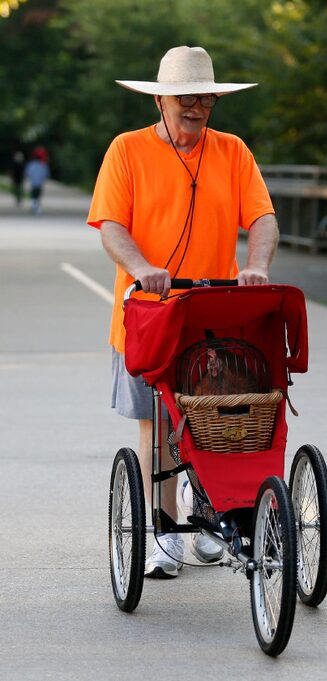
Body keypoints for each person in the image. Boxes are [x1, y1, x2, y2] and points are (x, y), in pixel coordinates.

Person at [87, 46, 279, 579]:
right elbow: (110, 226)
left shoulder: (233, 151)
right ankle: (166, 535)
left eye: (207, 99)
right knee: (159, 426)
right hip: (148, 313)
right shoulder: (127, 151)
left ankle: (215, 510)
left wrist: (256, 265)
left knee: (217, 419)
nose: (197, 108)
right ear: (162, 100)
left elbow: (262, 217)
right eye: (187, 99)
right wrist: (143, 265)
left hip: (213, 315)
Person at [24, 147, 50, 214]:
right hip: (39, 183)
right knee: (37, 195)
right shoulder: (43, 165)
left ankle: (34, 206)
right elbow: (46, 174)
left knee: (33, 195)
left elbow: (27, 173)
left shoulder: (31, 165)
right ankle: (36, 207)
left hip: (33, 182)